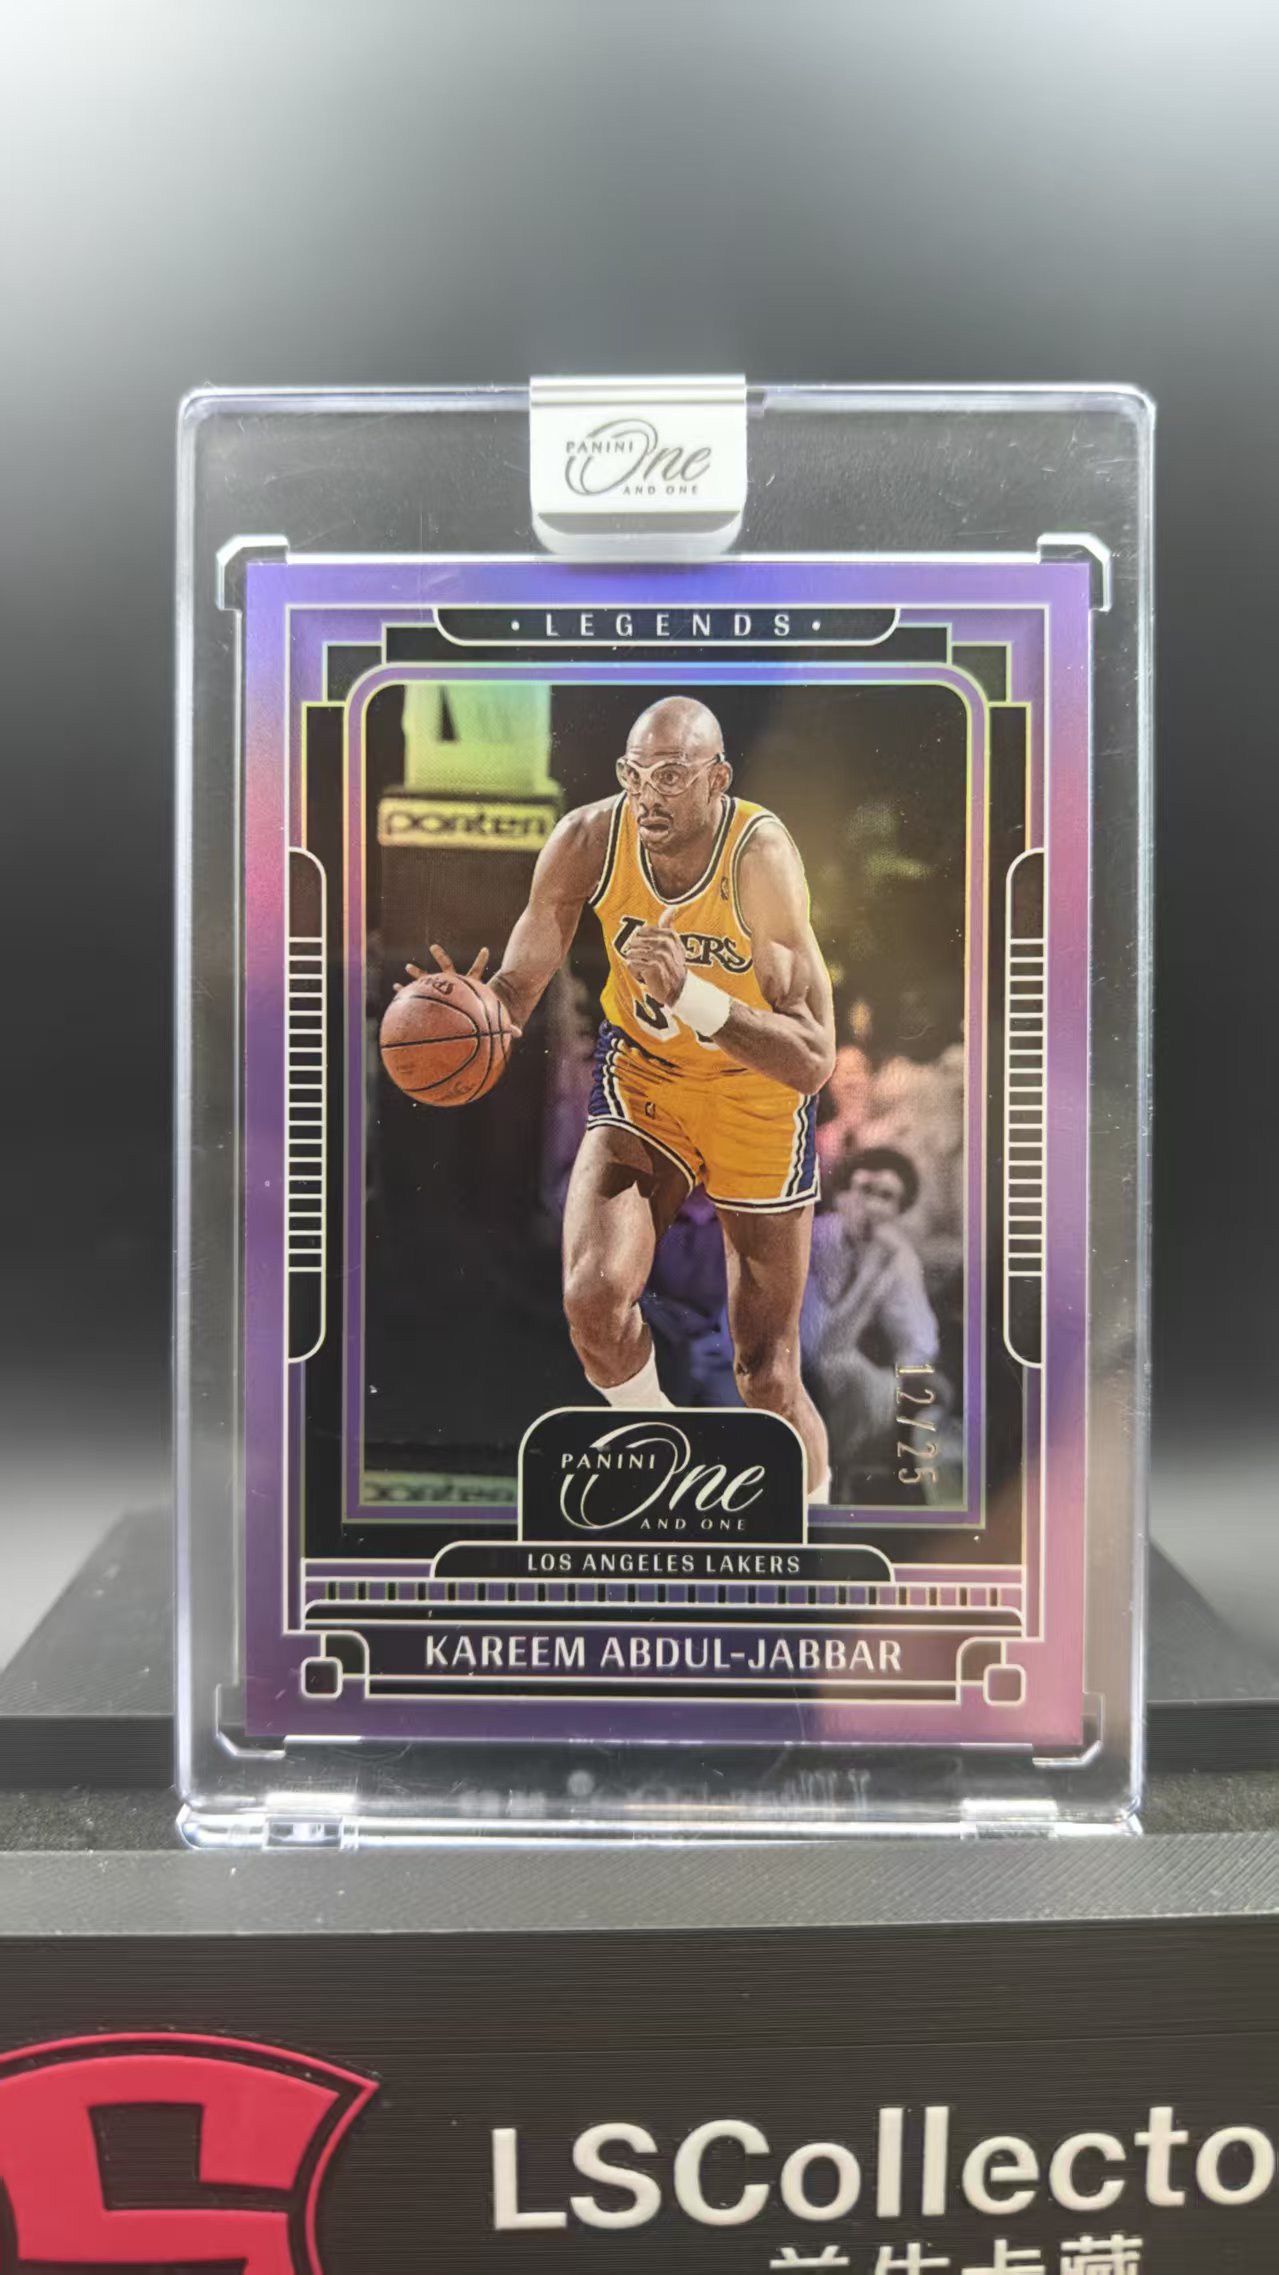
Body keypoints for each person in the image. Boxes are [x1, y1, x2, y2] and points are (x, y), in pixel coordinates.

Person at [410, 695, 836, 1498]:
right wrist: (470, 1014)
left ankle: (816, 1519)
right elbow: (519, 983)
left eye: (670, 776)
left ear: (718, 779)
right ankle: (664, 1451)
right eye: (633, 775)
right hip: (645, 1082)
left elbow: (811, 1059)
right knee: (593, 1303)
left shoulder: (759, 854)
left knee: (765, 1374)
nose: (647, 795)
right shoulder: (586, 839)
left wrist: (692, 996)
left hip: (754, 1098)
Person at [802, 1145, 940, 1497]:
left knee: (866, 1383)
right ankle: (823, 1477)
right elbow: (816, 1343)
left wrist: (902, 1381)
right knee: (839, 1373)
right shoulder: (811, 1240)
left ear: (899, 1210)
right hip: (796, 1366)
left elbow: (919, 1341)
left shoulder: (898, 1256)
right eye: (864, 1190)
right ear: (842, 1196)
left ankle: (840, 1477)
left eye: (887, 1197)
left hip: (848, 1371)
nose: (873, 1206)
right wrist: (869, 1274)